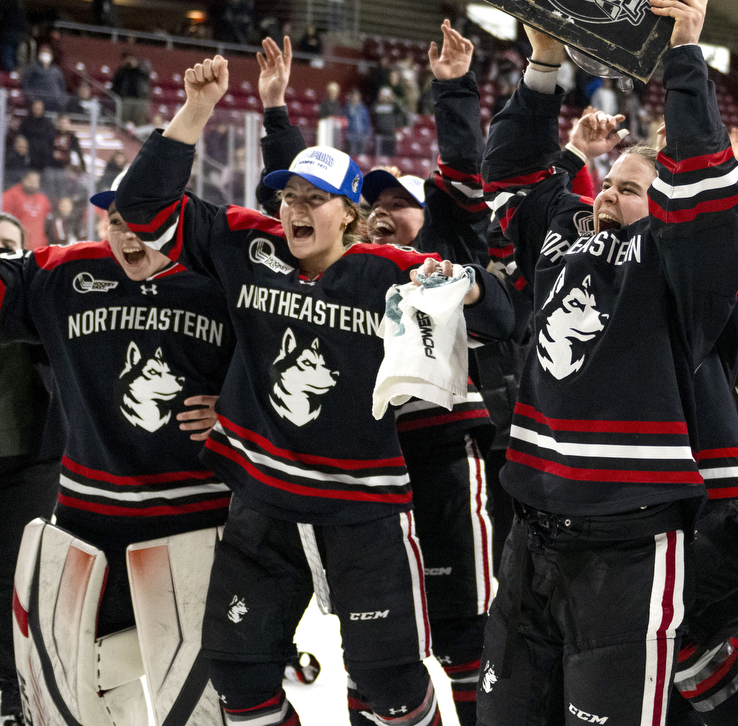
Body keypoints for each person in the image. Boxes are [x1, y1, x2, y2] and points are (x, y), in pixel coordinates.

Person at [115, 53, 516, 726]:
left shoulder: (387, 272)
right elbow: (142, 207)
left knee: (388, 680)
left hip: (362, 506)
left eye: (314, 200)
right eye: (288, 197)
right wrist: (196, 110)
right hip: (264, 501)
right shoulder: (251, 245)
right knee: (238, 673)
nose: (295, 210)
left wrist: (468, 282)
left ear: (350, 216)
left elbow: (497, 320)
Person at [477, 0, 738, 726]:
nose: (608, 194)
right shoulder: (565, 239)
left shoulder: (677, 270)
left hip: (628, 550)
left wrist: (685, 56)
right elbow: (511, 175)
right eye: (608, 183)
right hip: (529, 533)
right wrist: (541, 66)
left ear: (666, 207)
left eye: (633, 189)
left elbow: (710, 204)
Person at [257, 24, 499, 724]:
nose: (388, 214)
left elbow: (461, 172)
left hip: (445, 460)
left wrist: (454, 86)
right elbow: (294, 212)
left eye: (402, 203)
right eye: (377, 205)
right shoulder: (347, 267)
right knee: (373, 640)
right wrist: (276, 113)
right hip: (365, 474)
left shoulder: (443, 254)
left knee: (462, 630)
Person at [0, 168, 232, 724]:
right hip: (90, 527)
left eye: (144, 223)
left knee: (203, 703)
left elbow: (284, 360)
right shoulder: (64, 274)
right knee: (82, 694)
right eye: (117, 222)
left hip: (196, 527)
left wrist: (235, 407)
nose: (130, 237)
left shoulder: (221, 281)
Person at [0, 210, 55, 725]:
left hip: (31, 464)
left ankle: (16, 693)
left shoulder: (39, 300)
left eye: (8, 246)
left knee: (17, 585)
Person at [2, 170, 50, 249]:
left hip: (39, 247)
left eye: (36, 181)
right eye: (30, 180)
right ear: (23, 179)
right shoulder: (10, 196)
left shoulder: (43, 199)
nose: (33, 184)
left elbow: (47, 224)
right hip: (17, 246)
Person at [111, 50, 152, 127]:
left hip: (140, 99)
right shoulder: (122, 71)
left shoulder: (141, 69)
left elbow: (146, 76)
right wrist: (125, 67)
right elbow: (116, 83)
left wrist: (136, 67)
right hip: (126, 99)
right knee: (124, 124)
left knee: (140, 124)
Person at [18, 100, 55, 171]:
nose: (38, 111)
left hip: (43, 157)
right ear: (32, 108)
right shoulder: (25, 122)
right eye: (36, 108)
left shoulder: (48, 124)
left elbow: (51, 141)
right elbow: (21, 137)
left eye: (39, 109)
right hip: (28, 155)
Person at [0, 0, 26, 73]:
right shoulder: (21, 8)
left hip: (7, 35)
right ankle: (13, 74)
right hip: (17, 36)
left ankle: (10, 74)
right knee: (13, 56)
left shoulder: (7, 6)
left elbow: (3, 19)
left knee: (8, 56)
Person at [345, 87, 372, 155]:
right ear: (351, 96)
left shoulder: (363, 108)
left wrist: (367, 133)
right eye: (353, 96)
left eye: (357, 96)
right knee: (353, 154)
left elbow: (366, 121)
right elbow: (345, 121)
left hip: (362, 135)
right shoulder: (347, 108)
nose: (355, 98)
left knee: (362, 154)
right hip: (351, 135)